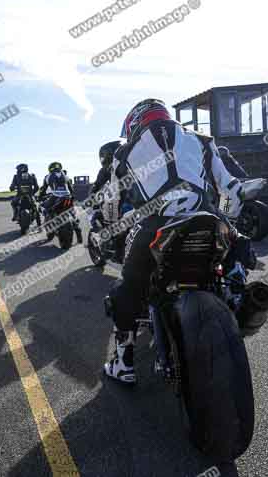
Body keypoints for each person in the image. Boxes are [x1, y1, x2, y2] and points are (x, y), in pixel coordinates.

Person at [102, 99, 244, 384]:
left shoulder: (123, 153)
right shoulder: (203, 140)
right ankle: (240, 298)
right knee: (236, 252)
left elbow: (112, 205)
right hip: (207, 218)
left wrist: (113, 233)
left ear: (132, 124)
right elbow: (232, 189)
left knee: (126, 288)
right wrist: (229, 222)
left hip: (153, 227)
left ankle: (124, 362)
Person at [37, 162, 82, 244]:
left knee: (44, 208)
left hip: (55, 197)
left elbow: (43, 189)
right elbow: (71, 189)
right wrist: (73, 197)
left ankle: (48, 225)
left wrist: (40, 196)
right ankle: (79, 237)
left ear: (50, 169)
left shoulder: (47, 177)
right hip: (67, 197)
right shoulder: (66, 176)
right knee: (73, 214)